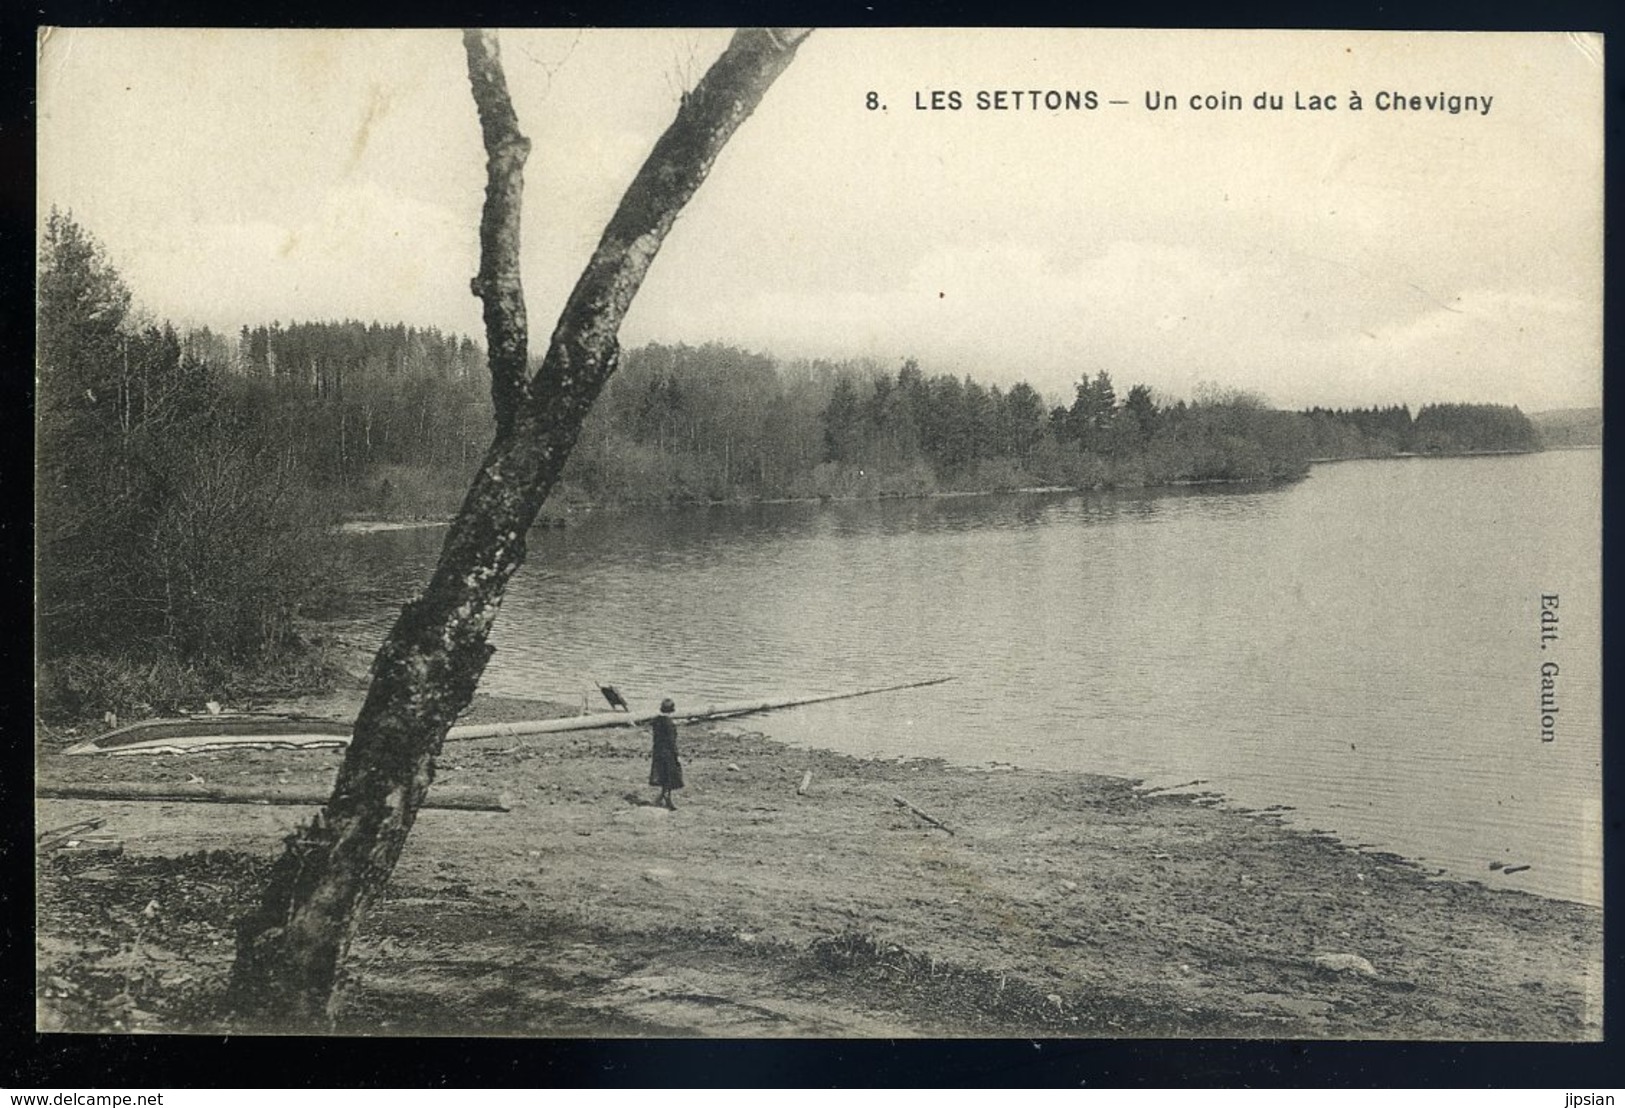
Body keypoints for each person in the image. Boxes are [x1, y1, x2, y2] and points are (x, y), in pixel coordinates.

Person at [649, 698, 684, 810]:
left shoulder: (656, 721)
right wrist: (677, 755)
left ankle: (660, 797)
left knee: (662, 774)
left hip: (658, 751)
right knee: (670, 776)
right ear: (672, 710)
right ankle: (666, 797)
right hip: (668, 753)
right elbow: (671, 741)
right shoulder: (670, 724)